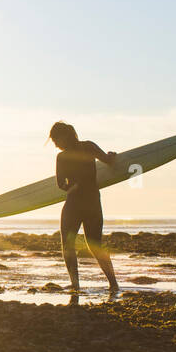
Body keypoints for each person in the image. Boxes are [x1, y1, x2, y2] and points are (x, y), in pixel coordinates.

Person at [50, 121, 120, 296]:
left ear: (65, 135)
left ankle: (76, 285)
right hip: (92, 202)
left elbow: (61, 184)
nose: (55, 144)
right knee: (94, 244)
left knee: (68, 245)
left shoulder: (63, 157)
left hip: (74, 204)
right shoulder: (88, 147)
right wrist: (111, 156)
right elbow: (108, 161)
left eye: (56, 140)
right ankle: (113, 284)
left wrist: (69, 187)